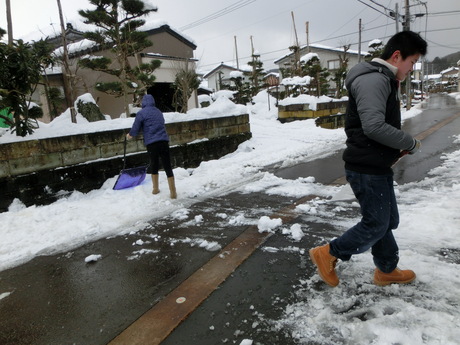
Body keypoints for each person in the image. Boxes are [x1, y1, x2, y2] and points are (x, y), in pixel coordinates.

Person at [309, 31, 427, 287]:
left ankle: (386, 269)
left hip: (376, 164)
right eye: (412, 61)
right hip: (366, 168)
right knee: (376, 224)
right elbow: (373, 127)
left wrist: (396, 149)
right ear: (397, 56)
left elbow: (374, 127)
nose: (412, 67)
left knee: (387, 221)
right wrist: (408, 142)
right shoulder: (375, 80)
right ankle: (328, 253)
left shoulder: (383, 78)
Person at [127, 94, 177, 199]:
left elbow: (136, 128)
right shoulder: (158, 112)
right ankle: (173, 192)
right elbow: (161, 123)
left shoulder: (141, 113)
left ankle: (155, 189)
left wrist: (129, 135)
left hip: (151, 143)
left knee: (154, 164)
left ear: (143, 103)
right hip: (163, 141)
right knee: (167, 165)